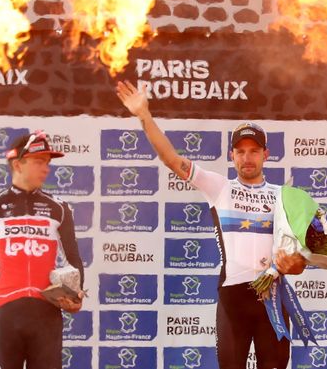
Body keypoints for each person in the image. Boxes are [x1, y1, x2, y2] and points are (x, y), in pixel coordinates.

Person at [116, 80, 307, 369]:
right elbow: (171, 159)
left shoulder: (284, 196)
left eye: (254, 151)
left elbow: (299, 261)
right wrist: (144, 115)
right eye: (240, 151)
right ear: (231, 156)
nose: (247, 157)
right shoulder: (220, 187)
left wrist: (293, 264)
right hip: (233, 298)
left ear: (266, 155)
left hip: (273, 300)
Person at [0, 131, 85, 369]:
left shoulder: (59, 208)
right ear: (17, 164)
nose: (46, 169)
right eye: (39, 162)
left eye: (47, 163)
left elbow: (74, 258)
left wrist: (76, 297)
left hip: (46, 315)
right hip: (6, 314)